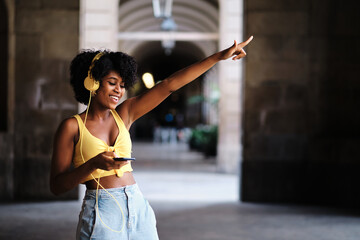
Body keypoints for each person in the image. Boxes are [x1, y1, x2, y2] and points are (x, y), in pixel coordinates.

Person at [50, 36, 253, 240]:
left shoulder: (125, 113)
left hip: (137, 206)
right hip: (102, 210)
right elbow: (57, 186)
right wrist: (93, 164)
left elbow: (169, 85)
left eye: (122, 85)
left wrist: (218, 57)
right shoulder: (72, 126)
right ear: (92, 82)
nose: (119, 91)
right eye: (112, 83)